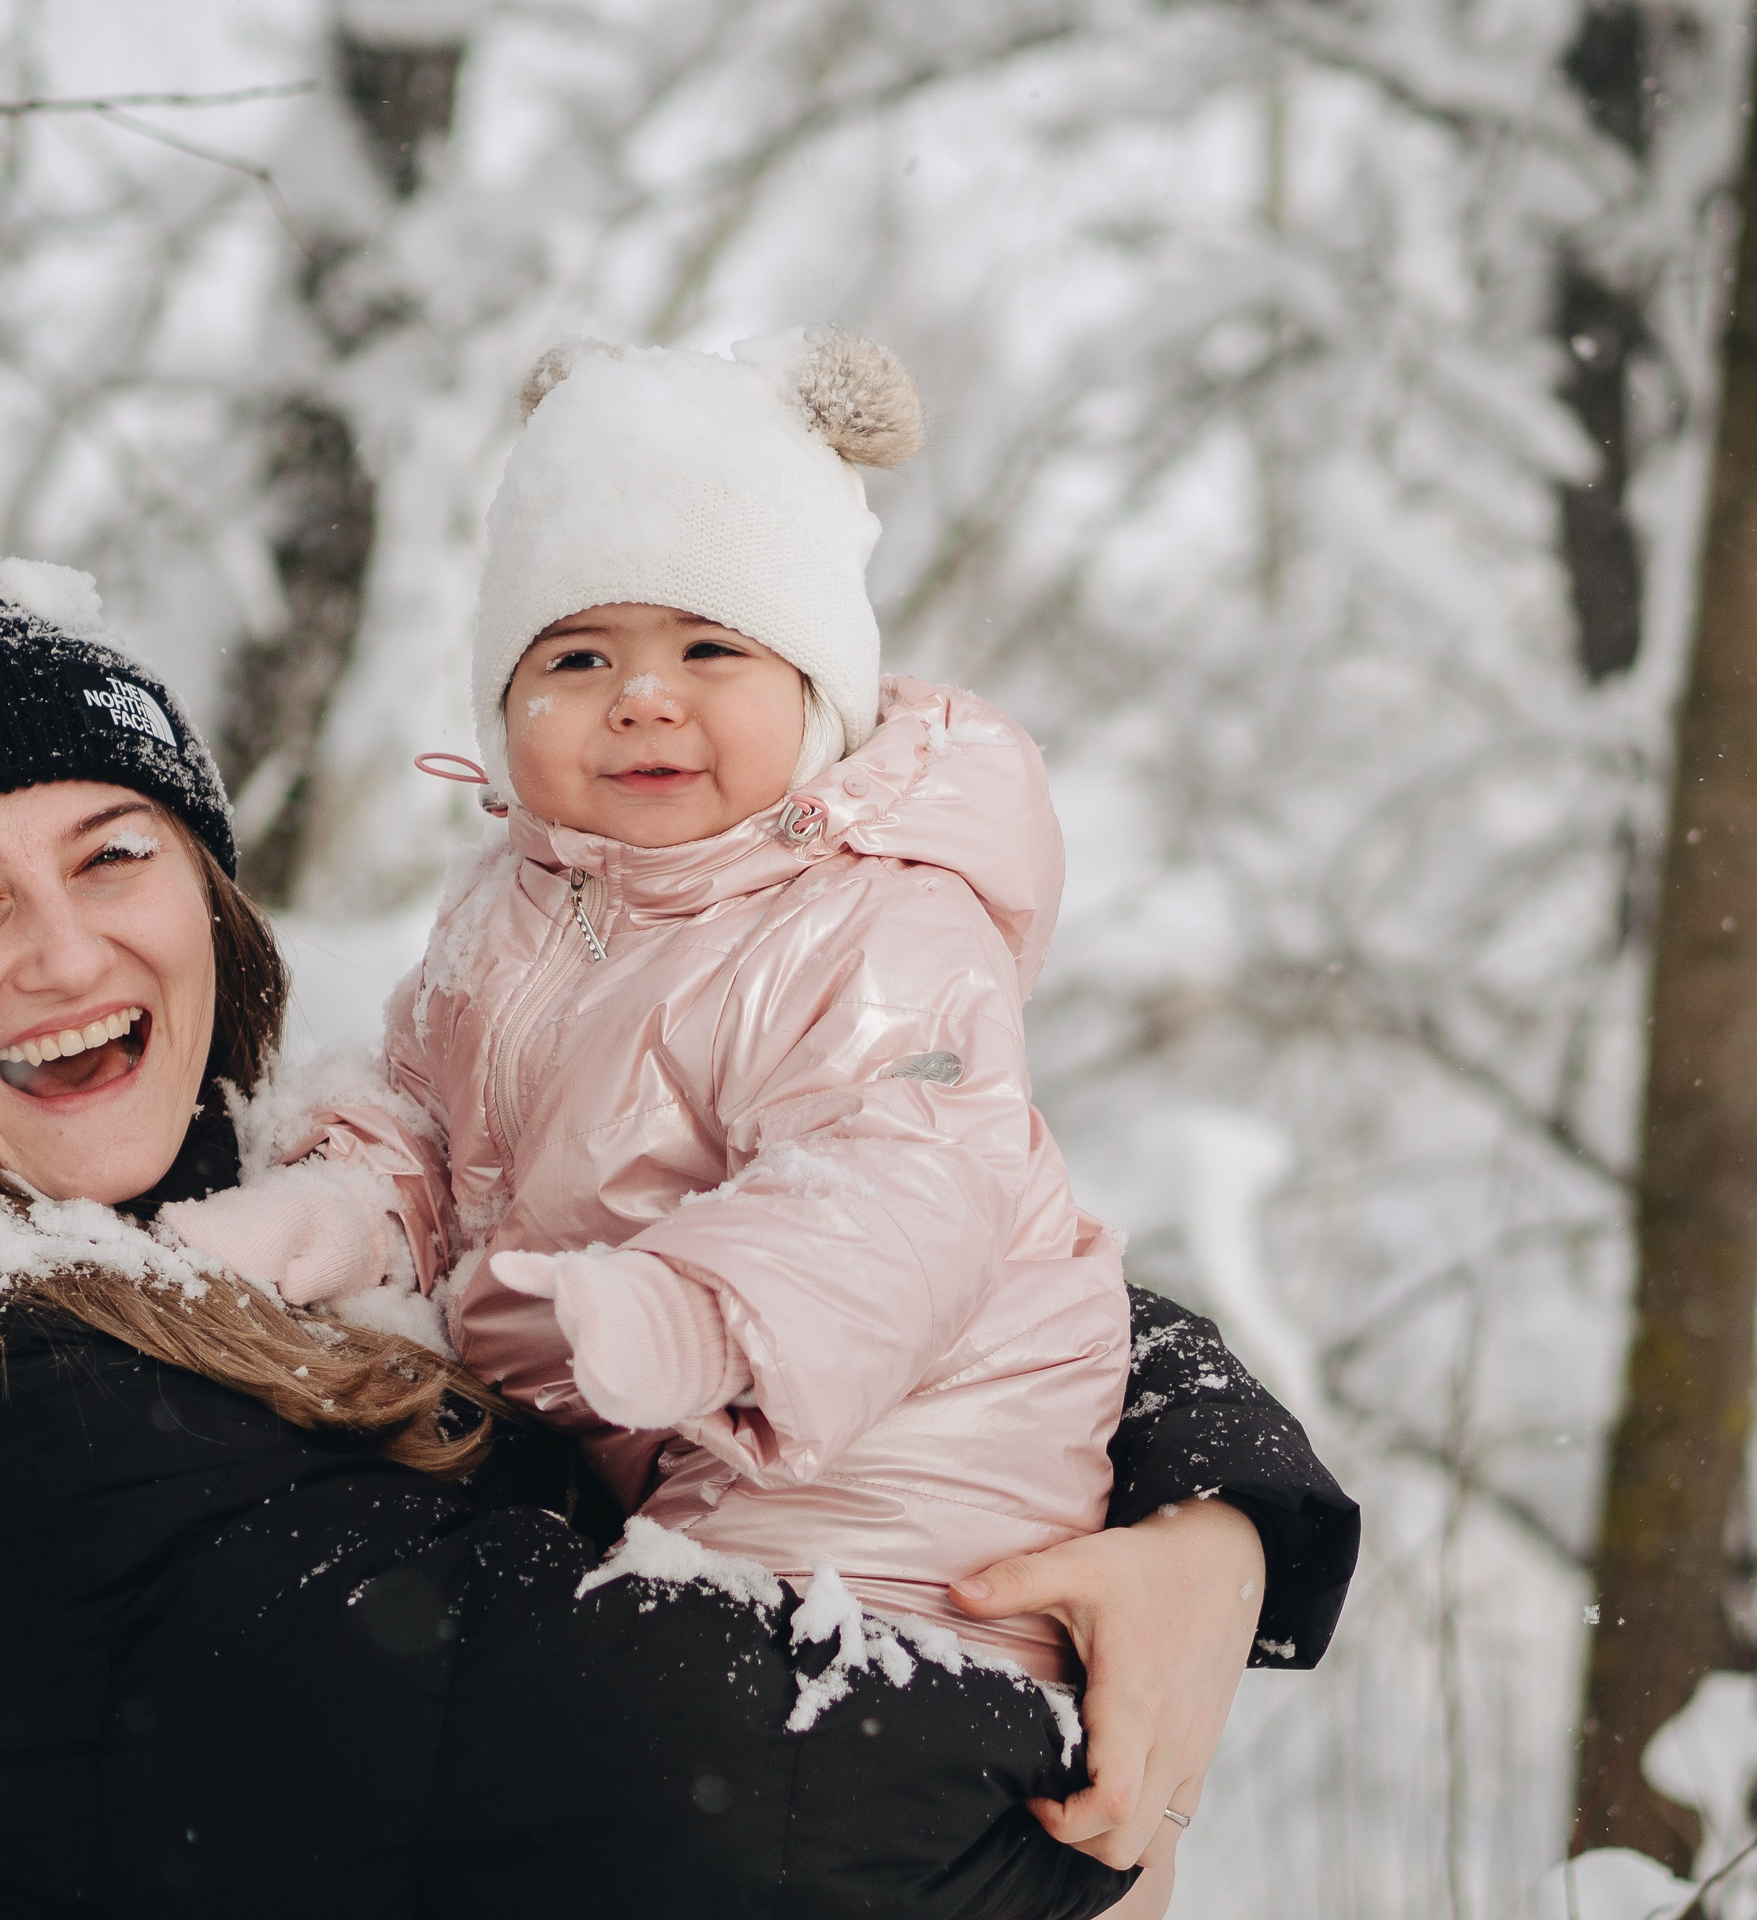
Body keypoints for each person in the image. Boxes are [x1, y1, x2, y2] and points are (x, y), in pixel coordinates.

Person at [0, 536, 1359, 1919]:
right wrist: (1075, 1783)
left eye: (111, 855)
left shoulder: (215, 1186)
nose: (68, 955)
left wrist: (1207, 1527)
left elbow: (945, 1230)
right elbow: (722, 1802)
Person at [158, 332, 1123, 1687]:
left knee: (715, 1768)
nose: (644, 701)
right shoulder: (508, 907)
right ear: (505, 711)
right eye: (579, 658)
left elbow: (902, 1179)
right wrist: (341, 1208)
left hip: (905, 1493)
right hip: (678, 1469)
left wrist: (695, 1313)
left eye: (712, 647)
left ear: (818, 692)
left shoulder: (882, 916)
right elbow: (427, 1114)